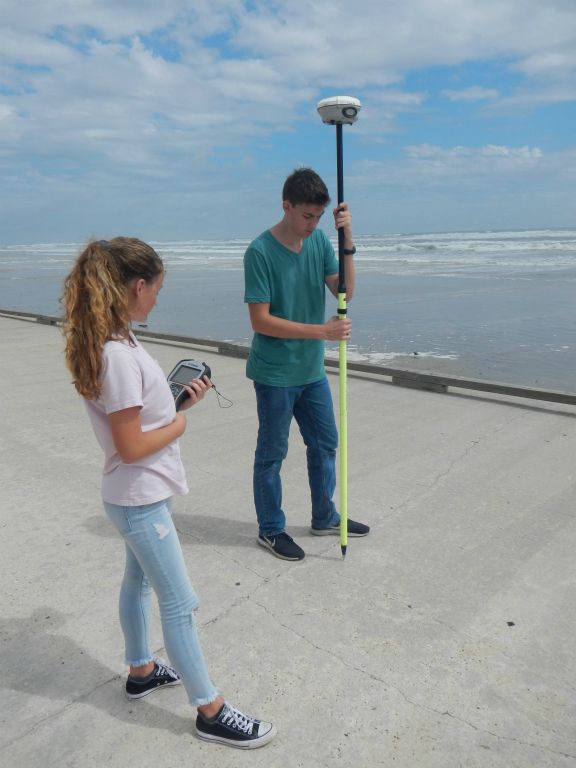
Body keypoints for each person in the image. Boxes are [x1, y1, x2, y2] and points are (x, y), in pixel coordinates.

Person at [61, 237, 276, 749]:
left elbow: (135, 420)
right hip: (138, 497)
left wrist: (178, 403)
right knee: (180, 602)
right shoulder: (117, 354)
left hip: (133, 495)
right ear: (137, 287)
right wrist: (178, 424)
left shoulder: (117, 340)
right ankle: (211, 710)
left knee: (137, 585)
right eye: (156, 289)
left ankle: (140, 671)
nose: (158, 298)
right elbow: (132, 445)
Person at [243, 168, 370, 561]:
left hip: (311, 372)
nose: (313, 225)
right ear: (287, 206)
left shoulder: (318, 244)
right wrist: (321, 332)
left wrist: (347, 238)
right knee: (272, 453)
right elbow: (260, 320)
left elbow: (345, 290)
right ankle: (270, 529)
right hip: (275, 373)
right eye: (306, 216)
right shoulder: (260, 251)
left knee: (325, 443)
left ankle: (324, 516)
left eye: (319, 217)